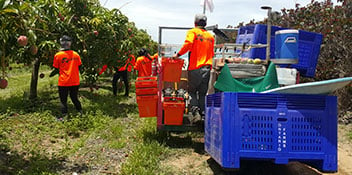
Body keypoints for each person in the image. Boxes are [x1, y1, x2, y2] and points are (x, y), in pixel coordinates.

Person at [173, 14, 215, 120]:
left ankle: (195, 113)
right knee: (202, 92)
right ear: (205, 24)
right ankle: (204, 115)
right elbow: (212, 53)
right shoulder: (210, 36)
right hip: (207, 68)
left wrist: (177, 55)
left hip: (195, 68)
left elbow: (188, 44)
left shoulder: (193, 32)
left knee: (192, 91)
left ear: (195, 23)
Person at [50, 35, 82, 121]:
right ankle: (80, 112)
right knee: (74, 98)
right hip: (75, 81)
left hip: (64, 81)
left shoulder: (58, 55)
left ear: (61, 43)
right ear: (70, 43)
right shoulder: (76, 54)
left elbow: (56, 67)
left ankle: (64, 116)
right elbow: (79, 66)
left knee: (63, 100)